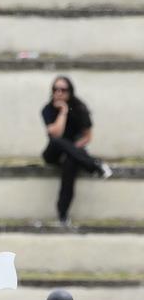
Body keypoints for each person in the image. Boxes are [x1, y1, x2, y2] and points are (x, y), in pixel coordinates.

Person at [40, 75, 112, 226]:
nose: (59, 93)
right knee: (59, 141)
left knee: (71, 163)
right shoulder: (47, 109)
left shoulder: (79, 108)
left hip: (74, 152)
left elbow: (87, 136)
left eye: (63, 90)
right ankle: (94, 165)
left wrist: (74, 149)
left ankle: (62, 214)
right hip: (54, 151)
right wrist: (63, 112)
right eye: (55, 89)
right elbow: (55, 133)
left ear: (70, 91)